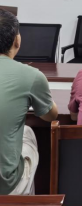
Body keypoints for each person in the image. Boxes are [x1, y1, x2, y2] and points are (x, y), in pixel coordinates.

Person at [0, 10, 58, 195]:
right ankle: (25, 205)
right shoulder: (31, 75)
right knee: (28, 133)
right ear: (17, 40)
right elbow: (50, 116)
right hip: (5, 186)